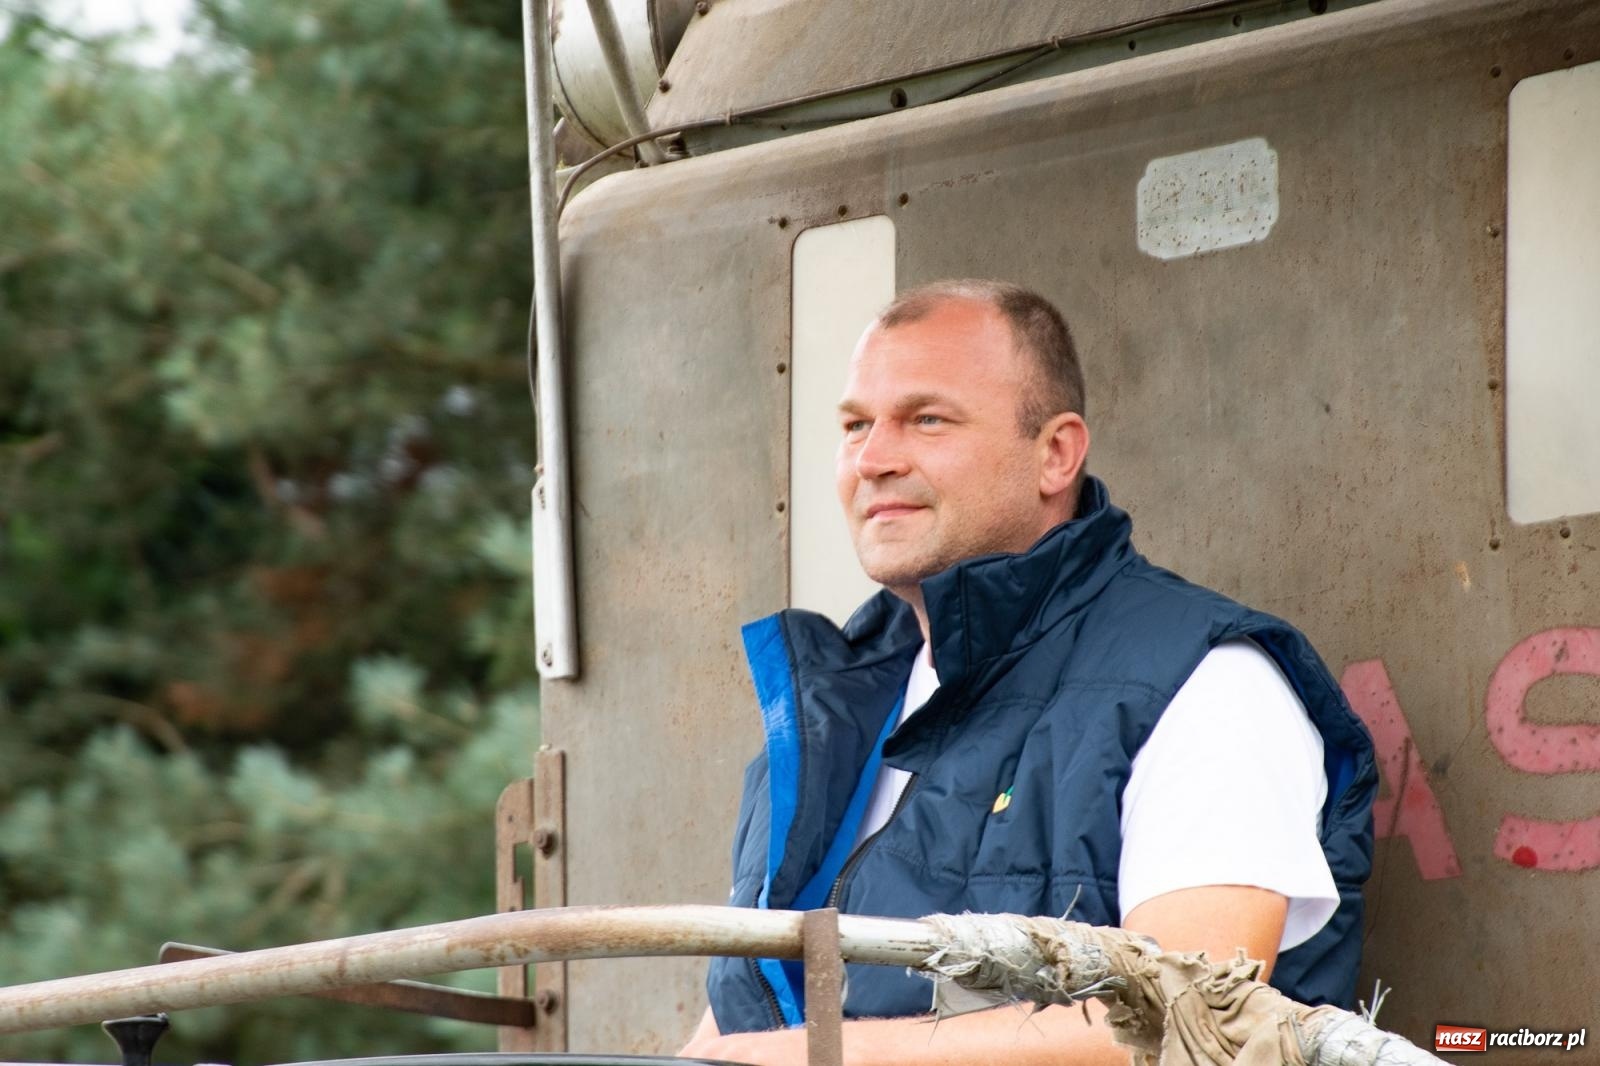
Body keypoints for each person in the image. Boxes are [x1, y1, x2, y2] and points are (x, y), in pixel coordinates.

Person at [680, 280, 1376, 1066]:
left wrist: (810, 1056)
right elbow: (740, 1028)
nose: (872, 460)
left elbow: (1198, 1022)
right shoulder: (840, 706)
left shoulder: (1206, 682)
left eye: (927, 419)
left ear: (1055, 454)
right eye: (854, 426)